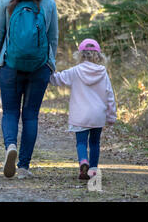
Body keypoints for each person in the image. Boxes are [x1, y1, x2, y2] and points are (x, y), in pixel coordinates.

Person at [0, 0, 59, 179]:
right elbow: (53, 38)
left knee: (10, 112)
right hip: (39, 66)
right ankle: (24, 166)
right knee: (31, 115)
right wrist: (50, 64)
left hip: (10, 65)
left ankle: (10, 147)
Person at [49, 39, 117, 180]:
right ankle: (92, 171)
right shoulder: (103, 72)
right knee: (94, 143)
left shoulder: (75, 71)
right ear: (98, 56)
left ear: (80, 55)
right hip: (98, 115)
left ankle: (83, 162)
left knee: (81, 143)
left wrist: (47, 69)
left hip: (80, 116)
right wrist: (111, 116)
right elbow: (109, 95)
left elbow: (56, 80)